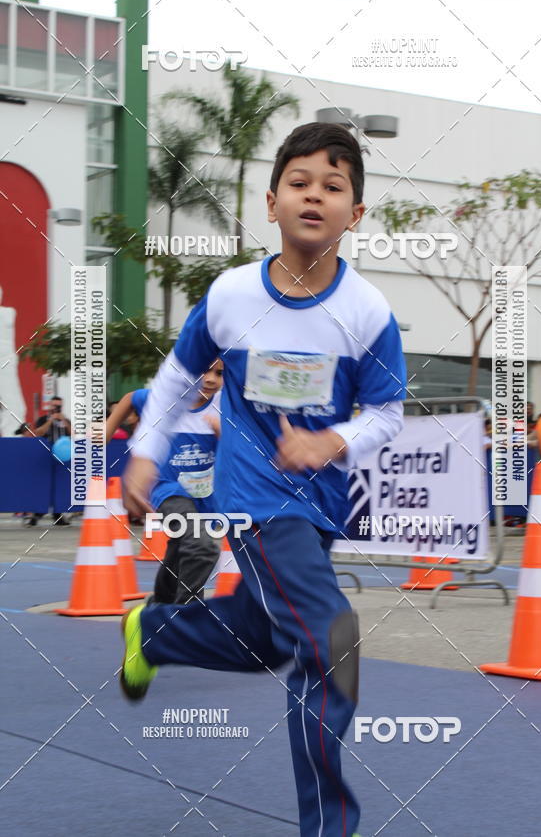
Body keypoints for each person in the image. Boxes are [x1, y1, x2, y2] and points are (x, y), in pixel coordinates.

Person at [120, 122, 406, 837]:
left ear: (356, 213)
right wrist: (147, 453)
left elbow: (389, 412)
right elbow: (180, 377)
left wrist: (331, 440)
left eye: (334, 187)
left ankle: (155, 631)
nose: (316, 196)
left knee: (265, 636)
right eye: (301, 184)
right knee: (327, 638)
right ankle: (329, 827)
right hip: (253, 501)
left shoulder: (367, 313)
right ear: (272, 202)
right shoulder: (231, 296)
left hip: (318, 506)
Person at [107, 360, 223, 604]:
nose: (210, 379)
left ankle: (160, 607)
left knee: (181, 548)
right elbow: (130, 398)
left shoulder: (226, 405)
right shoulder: (164, 400)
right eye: (203, 370)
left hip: (205, 495)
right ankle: (187, 615)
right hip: (168, 489)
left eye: (219, 373)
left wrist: (222, 432)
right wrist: (108, 428)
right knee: (203, 546)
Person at [30, 395, 72, 526]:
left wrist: (63, 420)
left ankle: (58, 514)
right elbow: (38, 433)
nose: (56, 408)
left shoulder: (66, 420)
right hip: (45, 456)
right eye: (54, 406)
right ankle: (37, 513)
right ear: (50, 406)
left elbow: (74, 434)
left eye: (59, 406)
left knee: (59, 486)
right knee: (43, 485)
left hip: (62, 457)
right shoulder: (43, 419)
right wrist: (51, 420)